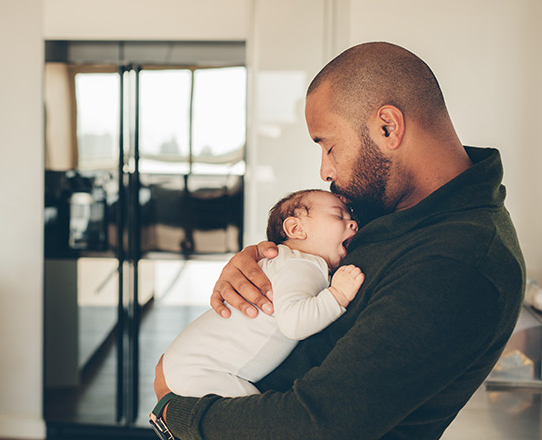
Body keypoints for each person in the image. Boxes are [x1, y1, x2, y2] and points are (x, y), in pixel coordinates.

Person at [153, 41, 525, 439]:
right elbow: (307, 266)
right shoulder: (392, 209)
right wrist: (259, 261)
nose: (325, 169)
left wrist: (175, 415)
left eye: (329, 145)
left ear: (388, 127)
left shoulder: (458, 261)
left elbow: (316, 424)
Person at [162, 189, 364, 398]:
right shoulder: (301, 264)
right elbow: (294, 323)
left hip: (185, 361)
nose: (353, 224)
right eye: (338, 216)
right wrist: (338, 294)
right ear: (296, 228)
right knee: (250, 412)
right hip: (201, 368)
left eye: (351, 218)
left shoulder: (287, 263)